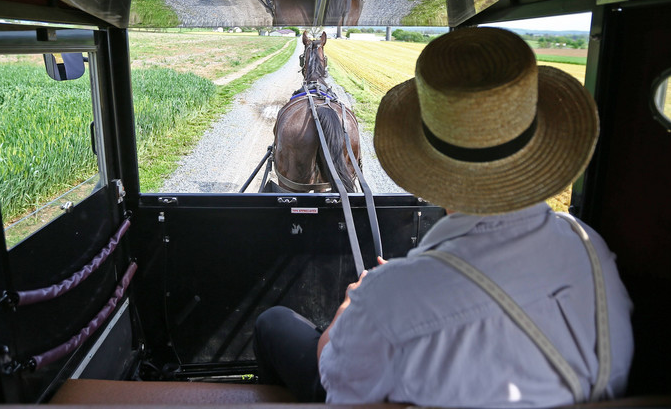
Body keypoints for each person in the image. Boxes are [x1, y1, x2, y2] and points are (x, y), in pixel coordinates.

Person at [253, 27, 634, 407]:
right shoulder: (589, 245)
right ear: (538, 147)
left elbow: (334, 377)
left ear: (428, 167)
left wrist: (353, 305)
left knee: (273, 322)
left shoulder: (390, 296)